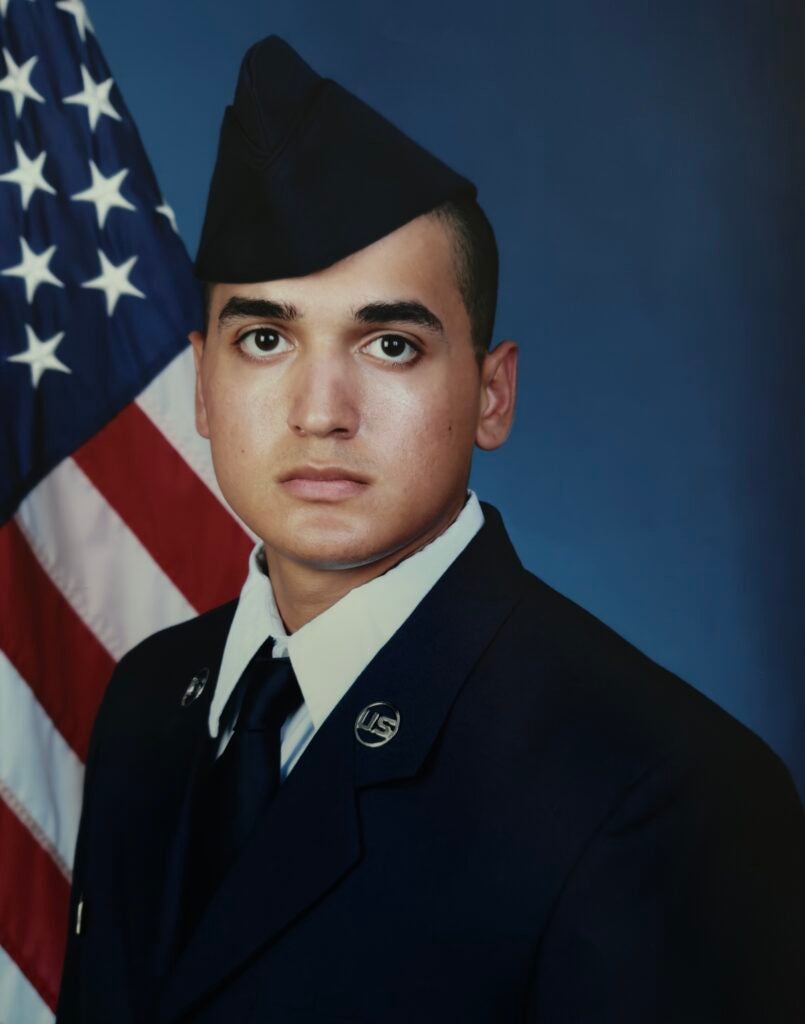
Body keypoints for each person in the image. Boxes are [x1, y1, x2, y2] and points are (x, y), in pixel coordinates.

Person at [56, 34, 805, 1024]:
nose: (321, 410)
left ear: (492, 395)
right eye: (266, 338)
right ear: (202, 385)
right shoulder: (151, 701)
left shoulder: (664, 792)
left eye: (390, 343)